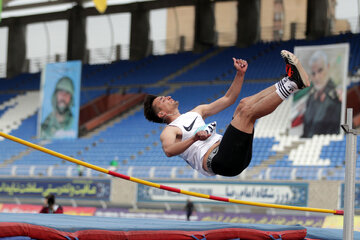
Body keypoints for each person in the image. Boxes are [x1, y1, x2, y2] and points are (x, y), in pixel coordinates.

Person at [144, 50, 310, 177]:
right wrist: (194, 138)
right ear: (161, 114)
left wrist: (240, 74)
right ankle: (293, 84)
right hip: (219, 160)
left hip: (232, 152)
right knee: (246, 113)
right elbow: (169, 151)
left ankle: (289, 80)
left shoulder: (197, 111)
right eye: (162, 100)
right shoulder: (170, 130)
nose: (167, 97)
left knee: (243, 104)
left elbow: (229, 98)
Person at [300, 50, 342, 138]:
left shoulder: (335, 97)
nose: (317, 77)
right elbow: (306, 129)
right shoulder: (311, 98)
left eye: (320, 70)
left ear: (328, 67)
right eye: (313, 73)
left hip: (326, 143)